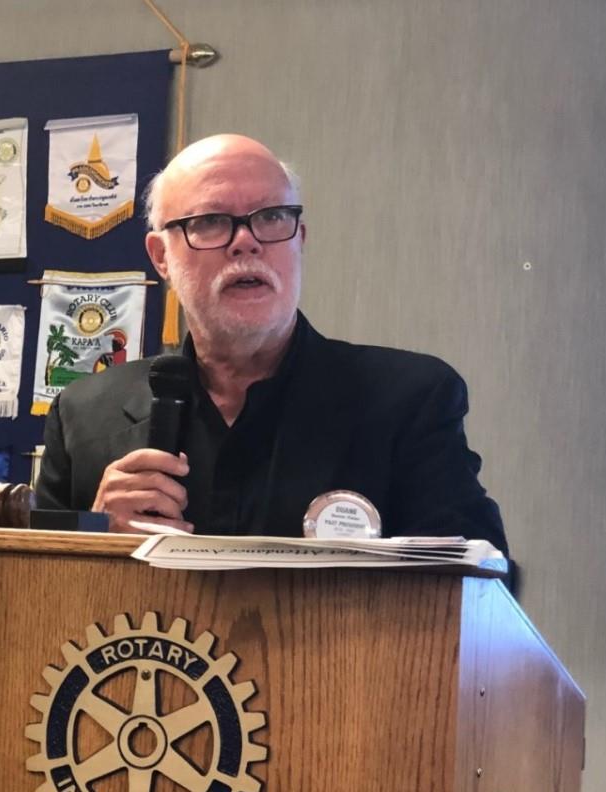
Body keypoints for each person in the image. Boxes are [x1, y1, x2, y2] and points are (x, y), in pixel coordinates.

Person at [34, 134, 508, 553]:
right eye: (211, 221)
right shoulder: (84, 415)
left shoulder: (410, 401)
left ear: (299, 239)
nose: (247, 242)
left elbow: (479, 587)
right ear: (161, 257)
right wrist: (94, 539)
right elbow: (35, 595)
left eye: (272, 217)